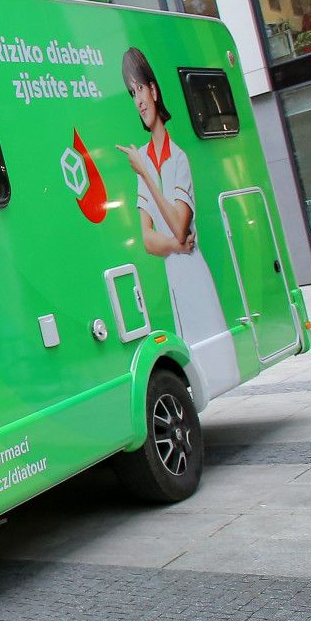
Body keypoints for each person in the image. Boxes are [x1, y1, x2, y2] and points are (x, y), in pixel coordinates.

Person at [115, 47, 241, 396]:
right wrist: (176, 245)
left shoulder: (179, 158)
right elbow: (148, 239)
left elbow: (179, 226)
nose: (138, 101)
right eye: (131, 93)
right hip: (176, 273)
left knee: (215, 364)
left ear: (154, 91)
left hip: (194, 274)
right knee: (193, 362)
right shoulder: (144, 158)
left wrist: (146, 174)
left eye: (140, 89)